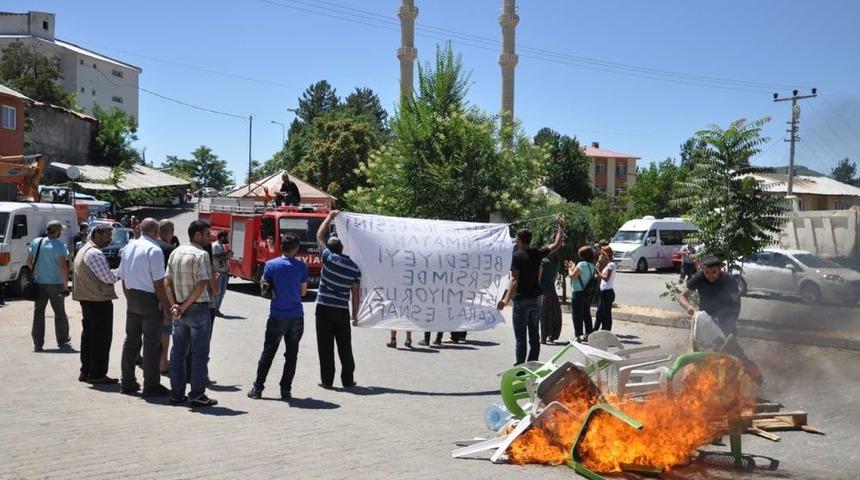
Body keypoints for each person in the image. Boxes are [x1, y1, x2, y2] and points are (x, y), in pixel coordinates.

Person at [678, 255, 762, 383]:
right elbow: (682, 296)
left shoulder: (728, 280)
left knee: (733, 349)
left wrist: (732, 322)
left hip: (725, 317)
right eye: (707, 273)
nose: (710, 276)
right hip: (706, 319)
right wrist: (689, 307)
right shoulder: (699, 277)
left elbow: (737, 302)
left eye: (714, 272)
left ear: (720, 270)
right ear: (702, 270)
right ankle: (696, 382)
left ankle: (756, 375)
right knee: (697, 351)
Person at [497, 214, 565, 365]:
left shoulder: (518, 256)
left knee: (521, 338)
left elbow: (514, 279)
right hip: (535, 300)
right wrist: (560, 226)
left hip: (521, 301)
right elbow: (556, 244)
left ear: (519, 240)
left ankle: (520, 367)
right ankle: (532, 365)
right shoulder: (537, 253)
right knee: (534, 337)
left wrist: (505, 299)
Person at [247, 233, 308, 400]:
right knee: (291, 354)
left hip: (277, 315)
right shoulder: (301, 267)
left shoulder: (270, 265)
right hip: (296, 315)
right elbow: (303, 292)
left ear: (282, 246)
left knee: (268, 352)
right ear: (296, 248)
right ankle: (286, 390)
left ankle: (257, 389)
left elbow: (265, 289)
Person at [165, 220, 218, 407]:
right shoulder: (201, 254)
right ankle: (197, 394)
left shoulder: (175, 252)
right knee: (199, 354)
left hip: (179, 310)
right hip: (197, 309)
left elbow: (167, 282)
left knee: (178, 353)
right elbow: (202, 284)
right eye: (206, 234)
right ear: (197, 235)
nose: (209, 237)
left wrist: (174, 306)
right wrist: (185, 306)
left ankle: (176, 394)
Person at [117, 218, 172, 397]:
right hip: (149, 299)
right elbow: (158, 283)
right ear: (156, 232)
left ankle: (127, 381)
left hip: (132, 296)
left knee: (131, 341)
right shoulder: (154, 250)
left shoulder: (129, 246)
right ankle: (151, 384)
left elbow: (123, 278)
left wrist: (129, 298)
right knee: (151, 343)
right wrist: (166, 307)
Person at [314, 210, 361, 389]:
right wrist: (355, 315)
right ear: (342, 248)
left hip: (324, 308)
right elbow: (355, 294)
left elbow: (319, 235)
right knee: (345, 347)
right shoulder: (354, 268)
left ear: (330, 248)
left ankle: (327, 381)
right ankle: (348, 380)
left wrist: (330, 217)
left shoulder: (328, 258)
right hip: (342, 310)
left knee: (325, 347)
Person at [73, 223, 119, 384]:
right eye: (107, 235)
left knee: (89, 337)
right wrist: (122, 271)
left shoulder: (85, 249)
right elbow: (108, 278)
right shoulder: (94, 253)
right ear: (97, 235)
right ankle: (97, 373)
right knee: (101, 339)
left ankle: (86, 371)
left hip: (88, 300)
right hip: (98, 301)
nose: (110, 239)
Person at [27, 220, 71, 351]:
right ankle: (62, 339)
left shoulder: (37, 242)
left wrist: (35, 272)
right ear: (57, 231)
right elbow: (63, 267)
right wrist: (65, 286)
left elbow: (29, 262)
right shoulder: (60, 246)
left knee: (38, 312)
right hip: (56, 284)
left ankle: (38, 343)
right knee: (59, 313)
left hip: (40, 283)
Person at [155, 220, 177, 375]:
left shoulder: (151, 245)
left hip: (148, 294)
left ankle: (153, 360)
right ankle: (163, 363)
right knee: (165, 330)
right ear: (170, 232)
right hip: (163, 295)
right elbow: (170, 278)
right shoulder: (170, 249)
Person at [566, 246, 596, 340]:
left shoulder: (581, 264)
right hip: (587, 292)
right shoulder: (591, 265)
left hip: (577, 291)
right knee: (586, 314)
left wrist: (569, 267)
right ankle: (588, 334)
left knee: (577, 315)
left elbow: (572, 276)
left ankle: (578, 335)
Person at [539, 250, 562, 344]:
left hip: (543, 291)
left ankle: (543, 338)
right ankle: (551, 336)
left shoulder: (543, 262)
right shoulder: (556, 263)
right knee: (553, 315)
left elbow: (539, 277)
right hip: (552, 291)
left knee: (544, 315)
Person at [594, 246, 616, 332]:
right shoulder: (608, 264)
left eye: (602, 253)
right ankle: (596, 330)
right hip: (604, 291)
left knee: (606, 313)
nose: (601, 255)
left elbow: (606, 278)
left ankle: (607, 331)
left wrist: (599, 273)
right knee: (600, 312)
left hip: (608, 292)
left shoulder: (611, 264)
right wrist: (599, 262)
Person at [211, 231, 231, 317]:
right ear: (222, 237)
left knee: (222, 292)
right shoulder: (215, 246)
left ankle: (217, 309)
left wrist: (228, 256)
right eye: (226, 237)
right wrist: (226, 255)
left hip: (224, 272)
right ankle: (214, 309)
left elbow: (224, 257)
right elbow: (216, 257)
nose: (227, 238)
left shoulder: (222, 246)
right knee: (217, 292)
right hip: (217, 272)